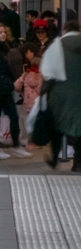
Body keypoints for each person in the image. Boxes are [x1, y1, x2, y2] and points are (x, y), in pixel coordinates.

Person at [0, 22, 30, 160]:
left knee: (13, 117)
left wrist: (15, 82)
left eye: (4, 32)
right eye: (0, 32)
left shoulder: (3, 49)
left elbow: (6, 70)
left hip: (5, 88)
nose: (3, 34)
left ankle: (16, 146)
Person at [42, 19, 81, 169]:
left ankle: (54, 158)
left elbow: (48, 72)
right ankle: (78, 162)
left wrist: (45, 93)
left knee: (57, 127)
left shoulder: (56, 45)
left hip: (59, 94)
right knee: (78, 129)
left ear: (64, 30)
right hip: (79, 94)